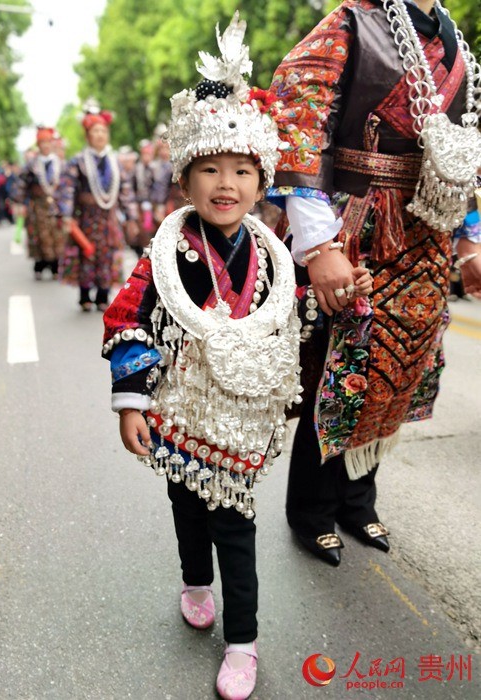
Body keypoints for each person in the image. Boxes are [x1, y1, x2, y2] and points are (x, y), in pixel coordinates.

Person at [102, 14, 363, 699]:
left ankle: (242, 642)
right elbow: (129, 314)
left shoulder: (272, 255)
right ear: (185, 182)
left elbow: (302, 303)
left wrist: (340, 297)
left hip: (242, 420)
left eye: (242, 171)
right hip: (179, 410)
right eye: (210, 170)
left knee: (234, 524)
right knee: (185, 505)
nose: (226, 184)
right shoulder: (167, 252)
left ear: (260, 180)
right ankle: (193, 581)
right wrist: (131, 400)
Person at [268, 0, 481, 566]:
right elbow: (299, 121)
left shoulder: (455, 40)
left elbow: (459, 152)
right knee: (344, 365)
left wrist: (468, 243)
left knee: (400, 363)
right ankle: (311, 509)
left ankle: (358, 498)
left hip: (426, 232)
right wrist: (319, 245)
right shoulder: (351, 21)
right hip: (356, 226)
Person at [57, 102, 136, 311]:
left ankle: (103, 295)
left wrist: (131, 216)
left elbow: (125, 190)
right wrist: (66, 215)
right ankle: (84, 296)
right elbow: (67, 189)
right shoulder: (78, 161)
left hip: (108, 217)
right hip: (85, 217)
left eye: (103, 131)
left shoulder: (115, 162)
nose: (100, 135)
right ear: (88, 135)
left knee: (108, 255)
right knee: (86, 254)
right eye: (95, 131)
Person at [13, 127, 64, 279]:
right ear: (38, 144)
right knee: (38, 235)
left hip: (55, 204)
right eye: (42, 142)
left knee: (57, 235)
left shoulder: (60, 163)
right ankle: (39, 266)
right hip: (37, 205)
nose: (46, 146)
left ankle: (55, 267)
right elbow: (21, 184)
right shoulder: (31, 164)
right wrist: (20, 203)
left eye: (48, 142)